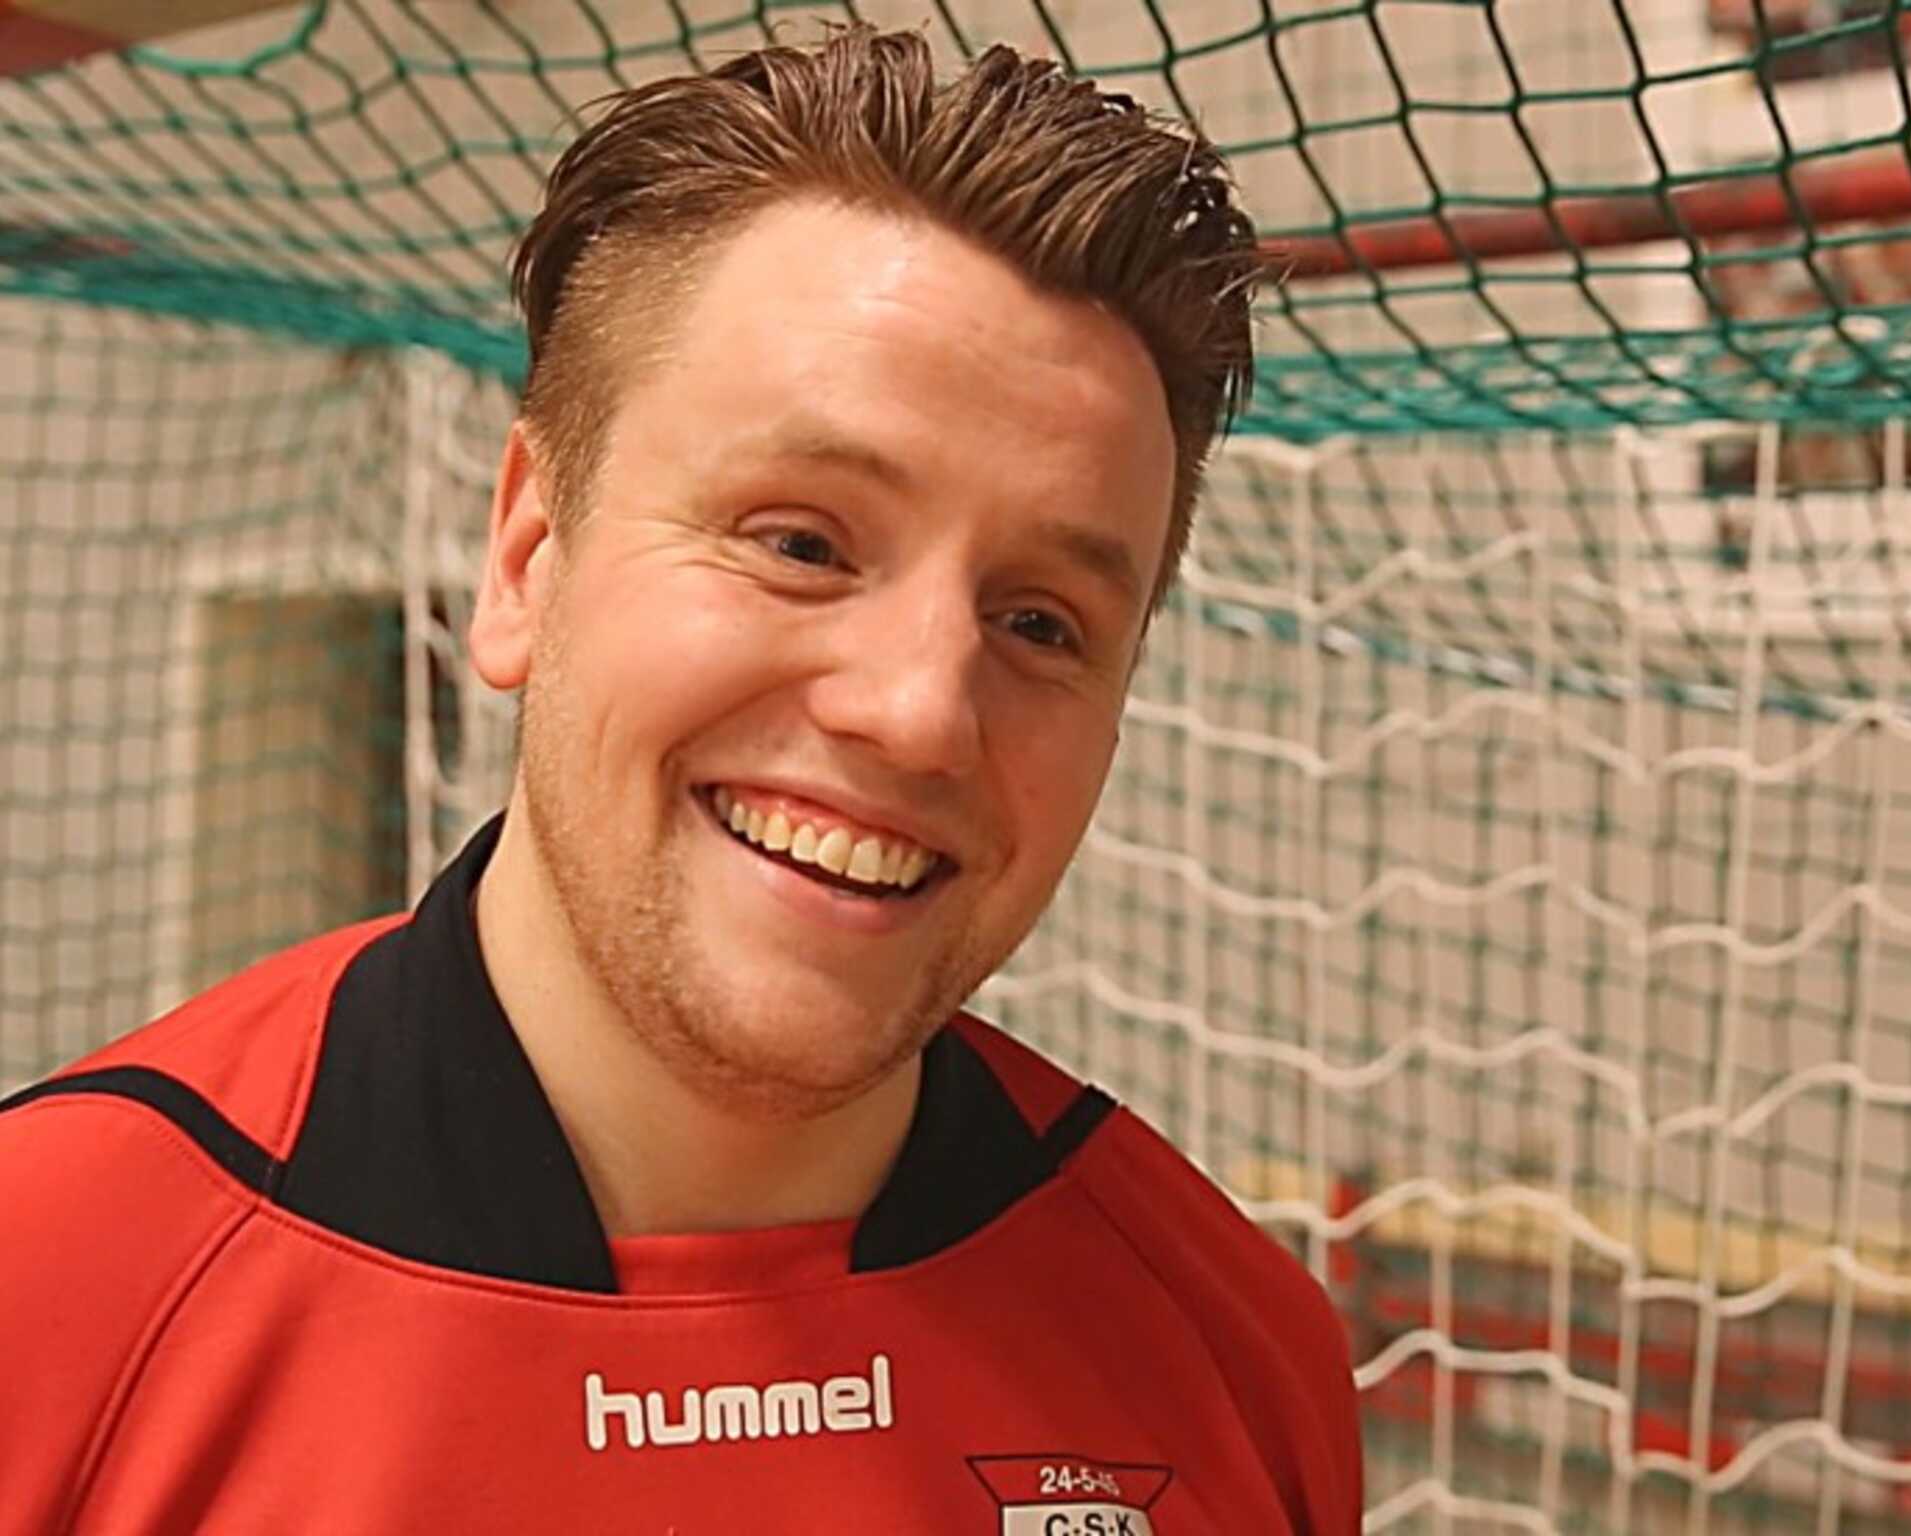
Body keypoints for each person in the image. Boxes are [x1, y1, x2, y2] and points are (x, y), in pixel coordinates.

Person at [0, 25, 1361, 1532]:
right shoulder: (53, 1295)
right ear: (527, 558)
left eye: (1042, 624)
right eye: (801, 543)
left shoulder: (1232, 1352)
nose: (921, 714)